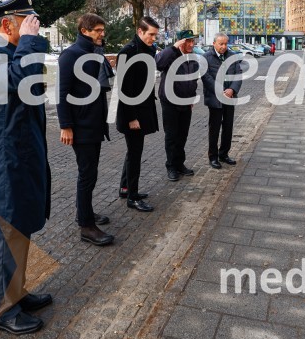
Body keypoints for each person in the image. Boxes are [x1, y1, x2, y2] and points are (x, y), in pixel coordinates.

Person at [0, 0, 52, 335]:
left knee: (21, 229)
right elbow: (18, 82)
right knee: (10, 231)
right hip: (3, 162)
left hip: (20, 156)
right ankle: (2, 309)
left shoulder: (11, 53)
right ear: (7, 24)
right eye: (26, 22)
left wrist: (29, 42)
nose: (33, 28)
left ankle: (16, 293)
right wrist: (30, 42)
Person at [58, 13, 113, 247]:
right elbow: (61, 92)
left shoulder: (94, 53)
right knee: (86, 174)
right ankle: (86, 227)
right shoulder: (71, 55)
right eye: (98, 30)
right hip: (81, 125)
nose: (102, 34)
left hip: (94, 122)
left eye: (102, 30)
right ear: (85, 31)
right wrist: (65, 126)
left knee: (90, 173)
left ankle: (85, 213)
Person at [115, 17, 160, 212]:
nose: (153, 38)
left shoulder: (148, 50)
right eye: (150, 34)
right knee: (135, 153)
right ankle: (132, 196)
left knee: (133, 151)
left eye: (155, 35)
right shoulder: (128, 52)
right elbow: (123, 90)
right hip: (132, 113)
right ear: (140, 31)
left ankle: (125, 188)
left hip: (143, 108)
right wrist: (131, 117)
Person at [156, 29, 200, 182]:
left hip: (186, 102)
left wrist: (192, 97)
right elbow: (159, 64)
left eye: (192, 41)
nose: (191, 44)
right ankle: (171, 166)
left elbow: (193, 79)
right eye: (188, 41)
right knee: (172, 136)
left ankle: (180, 163)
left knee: (183, 135)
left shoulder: (193, 58)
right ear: (181, 42)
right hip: (170, 102)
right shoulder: (171, 56)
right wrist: (173, 47)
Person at [202, 33, 242, 169]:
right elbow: (206, 77)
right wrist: (219, 91)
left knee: (228, 127)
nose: (224, 46)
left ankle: (224, 154)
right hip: (215, 99)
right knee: (214, 128)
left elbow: (238, 75)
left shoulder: (232, 56)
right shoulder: (206, 58)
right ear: (214, 43)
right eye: (221, 44)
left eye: (226, 43)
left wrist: (232, 90)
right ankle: (213, 157)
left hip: (229, 98)